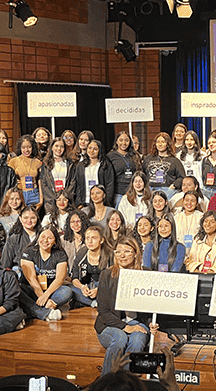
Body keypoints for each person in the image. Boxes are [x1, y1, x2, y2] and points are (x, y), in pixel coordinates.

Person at [95, 236, 151, 374]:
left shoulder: (146, 273)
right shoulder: (106, 274)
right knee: (120, 337)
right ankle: (106, 384)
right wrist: (125, 327)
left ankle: (127, 383)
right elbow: (102, 310)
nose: (122, 255)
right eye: (118, 252)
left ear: (136, 253)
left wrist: (152, 324)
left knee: (137, 340)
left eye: (127, 251)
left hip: (137, 322)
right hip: (109, 325)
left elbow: (151, 307)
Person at [19, 224, 71, 321]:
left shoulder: (60, 254)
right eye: (43, 236)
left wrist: (45, 296)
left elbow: (59, 279)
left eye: (50, 238)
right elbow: (31, 279)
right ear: (38, 237)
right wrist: (42, 297)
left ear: (55, 241)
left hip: (50, 291)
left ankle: (32, 309)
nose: (45, 240)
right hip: (31, 289)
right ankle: (45, 312)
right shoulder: (28, 252)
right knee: (17, 291)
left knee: (67, 291)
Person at [71, 224, 113, 307]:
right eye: (87, 238)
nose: (90, 241)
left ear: (101, 240)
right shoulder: (81, 253)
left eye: (94, 238)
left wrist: (99, 290)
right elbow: (74, 278)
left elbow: (114, 279)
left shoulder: (110, 255)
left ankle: (88, 301)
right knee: (69, 289)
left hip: (104, 286)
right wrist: (82, 287)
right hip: (88, 285)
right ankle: (94, 303)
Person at [40, 137, 77, 218]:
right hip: (51, 201)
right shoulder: (45, 164)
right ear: (52, 147)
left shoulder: (70, 163)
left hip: (67, 200)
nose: (59, 149)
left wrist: (64, 197)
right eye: (56, 146)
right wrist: (55, 198)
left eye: (62, 146)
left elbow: (73, 182)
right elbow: (43, 183)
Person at [75, 139, 117, 207]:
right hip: (85, 201)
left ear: (99, 151)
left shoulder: (106, 165)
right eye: (90, 148)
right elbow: (78, 186)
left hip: (101, 202)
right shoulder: (80, 166)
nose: (91, 151)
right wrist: (79, 203)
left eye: (95, 149)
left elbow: (110, 185)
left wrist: (106, 201)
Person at [144, 132, 185, 198]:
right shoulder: (148, 159)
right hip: (150, 189)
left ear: (167, 144)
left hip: (167, 190)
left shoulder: (175, 160)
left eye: (163, 142)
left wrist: (173, 186)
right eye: (158, 142)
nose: (160, 144)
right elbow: (142, 174)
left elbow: (182, 177)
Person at [8, 135, 44, 211]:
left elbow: (40, 182)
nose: (26, 150)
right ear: (20, 148)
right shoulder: (13, 161)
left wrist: (41, 200)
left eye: (29, 147)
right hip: (20, 194)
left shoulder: (37, 162)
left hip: (34, 194)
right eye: (23, 147)